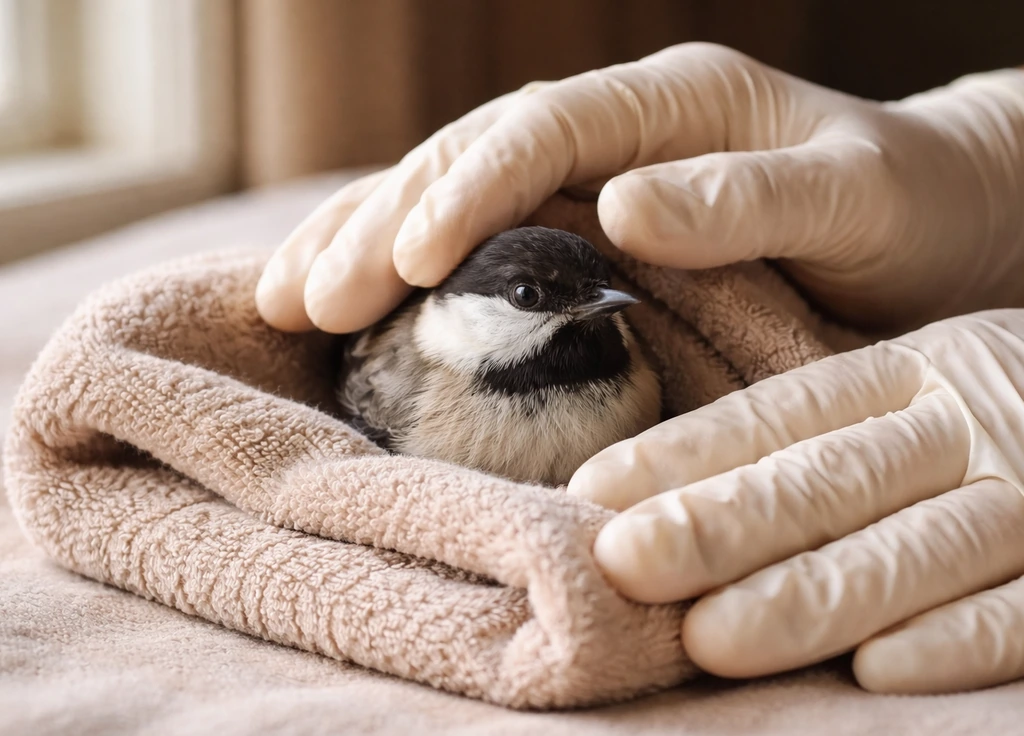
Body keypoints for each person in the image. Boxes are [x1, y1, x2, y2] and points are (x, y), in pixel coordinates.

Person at [255, 43, 1024, 695]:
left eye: (598, 297)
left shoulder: (632, 361)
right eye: (528, 299)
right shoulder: (413, 381)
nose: (601, 312)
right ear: (455, 311)